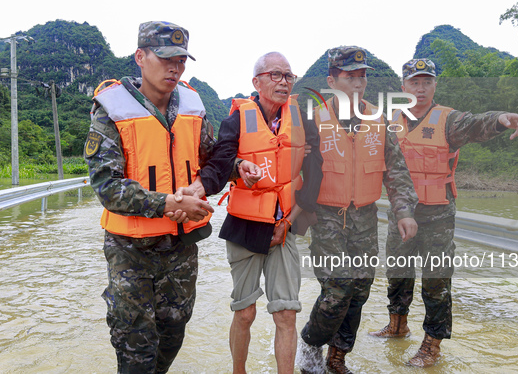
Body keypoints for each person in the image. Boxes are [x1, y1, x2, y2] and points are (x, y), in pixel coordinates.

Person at [85, 21, 254, 373]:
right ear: (140, 57)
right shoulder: (112, 108)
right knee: (135, 346)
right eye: (165, 58)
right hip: (130, 250)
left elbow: (209, 157)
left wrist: (239, 166)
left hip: (180, 248)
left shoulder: (192, 104)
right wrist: (169, 204)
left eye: (181, 60)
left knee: (173, 332)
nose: (174, 67)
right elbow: (106, 186)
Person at [368, 59, 518, 367]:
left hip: (437, 216)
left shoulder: (448, 120)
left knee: (436, 281)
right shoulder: (390, 121)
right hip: (401, 212)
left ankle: (432, 344)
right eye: (414, 82)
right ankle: (397, 325)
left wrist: (501, 119)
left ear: (434, 86)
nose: (420, 87)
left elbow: (477, 124)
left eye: (426, 82)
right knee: (397, 273)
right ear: (403, 87)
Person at [187, 51, 323, 374]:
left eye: (289, 76)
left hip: (283, 227)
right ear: (257, 81)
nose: (284, 82)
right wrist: (228, 171)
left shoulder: (302, 118)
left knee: (286, 313)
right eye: (275, 75)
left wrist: (289, 220)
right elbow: (219, 166)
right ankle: (239, 371)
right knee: (245, 312)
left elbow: (316, 173)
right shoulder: (236, 119)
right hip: (245, 227)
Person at [297, 46, 418, 374]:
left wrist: (404, 211)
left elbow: (396, 171)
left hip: (365, 218)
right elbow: (294, 168)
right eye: (349, 76)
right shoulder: (313, 121)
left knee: (359, 290)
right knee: (339, 287)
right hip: (327, 218)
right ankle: (310, 343)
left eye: (362, 76)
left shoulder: (378, 120)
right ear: (332, 80)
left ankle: (337, 359)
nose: (357, 83)